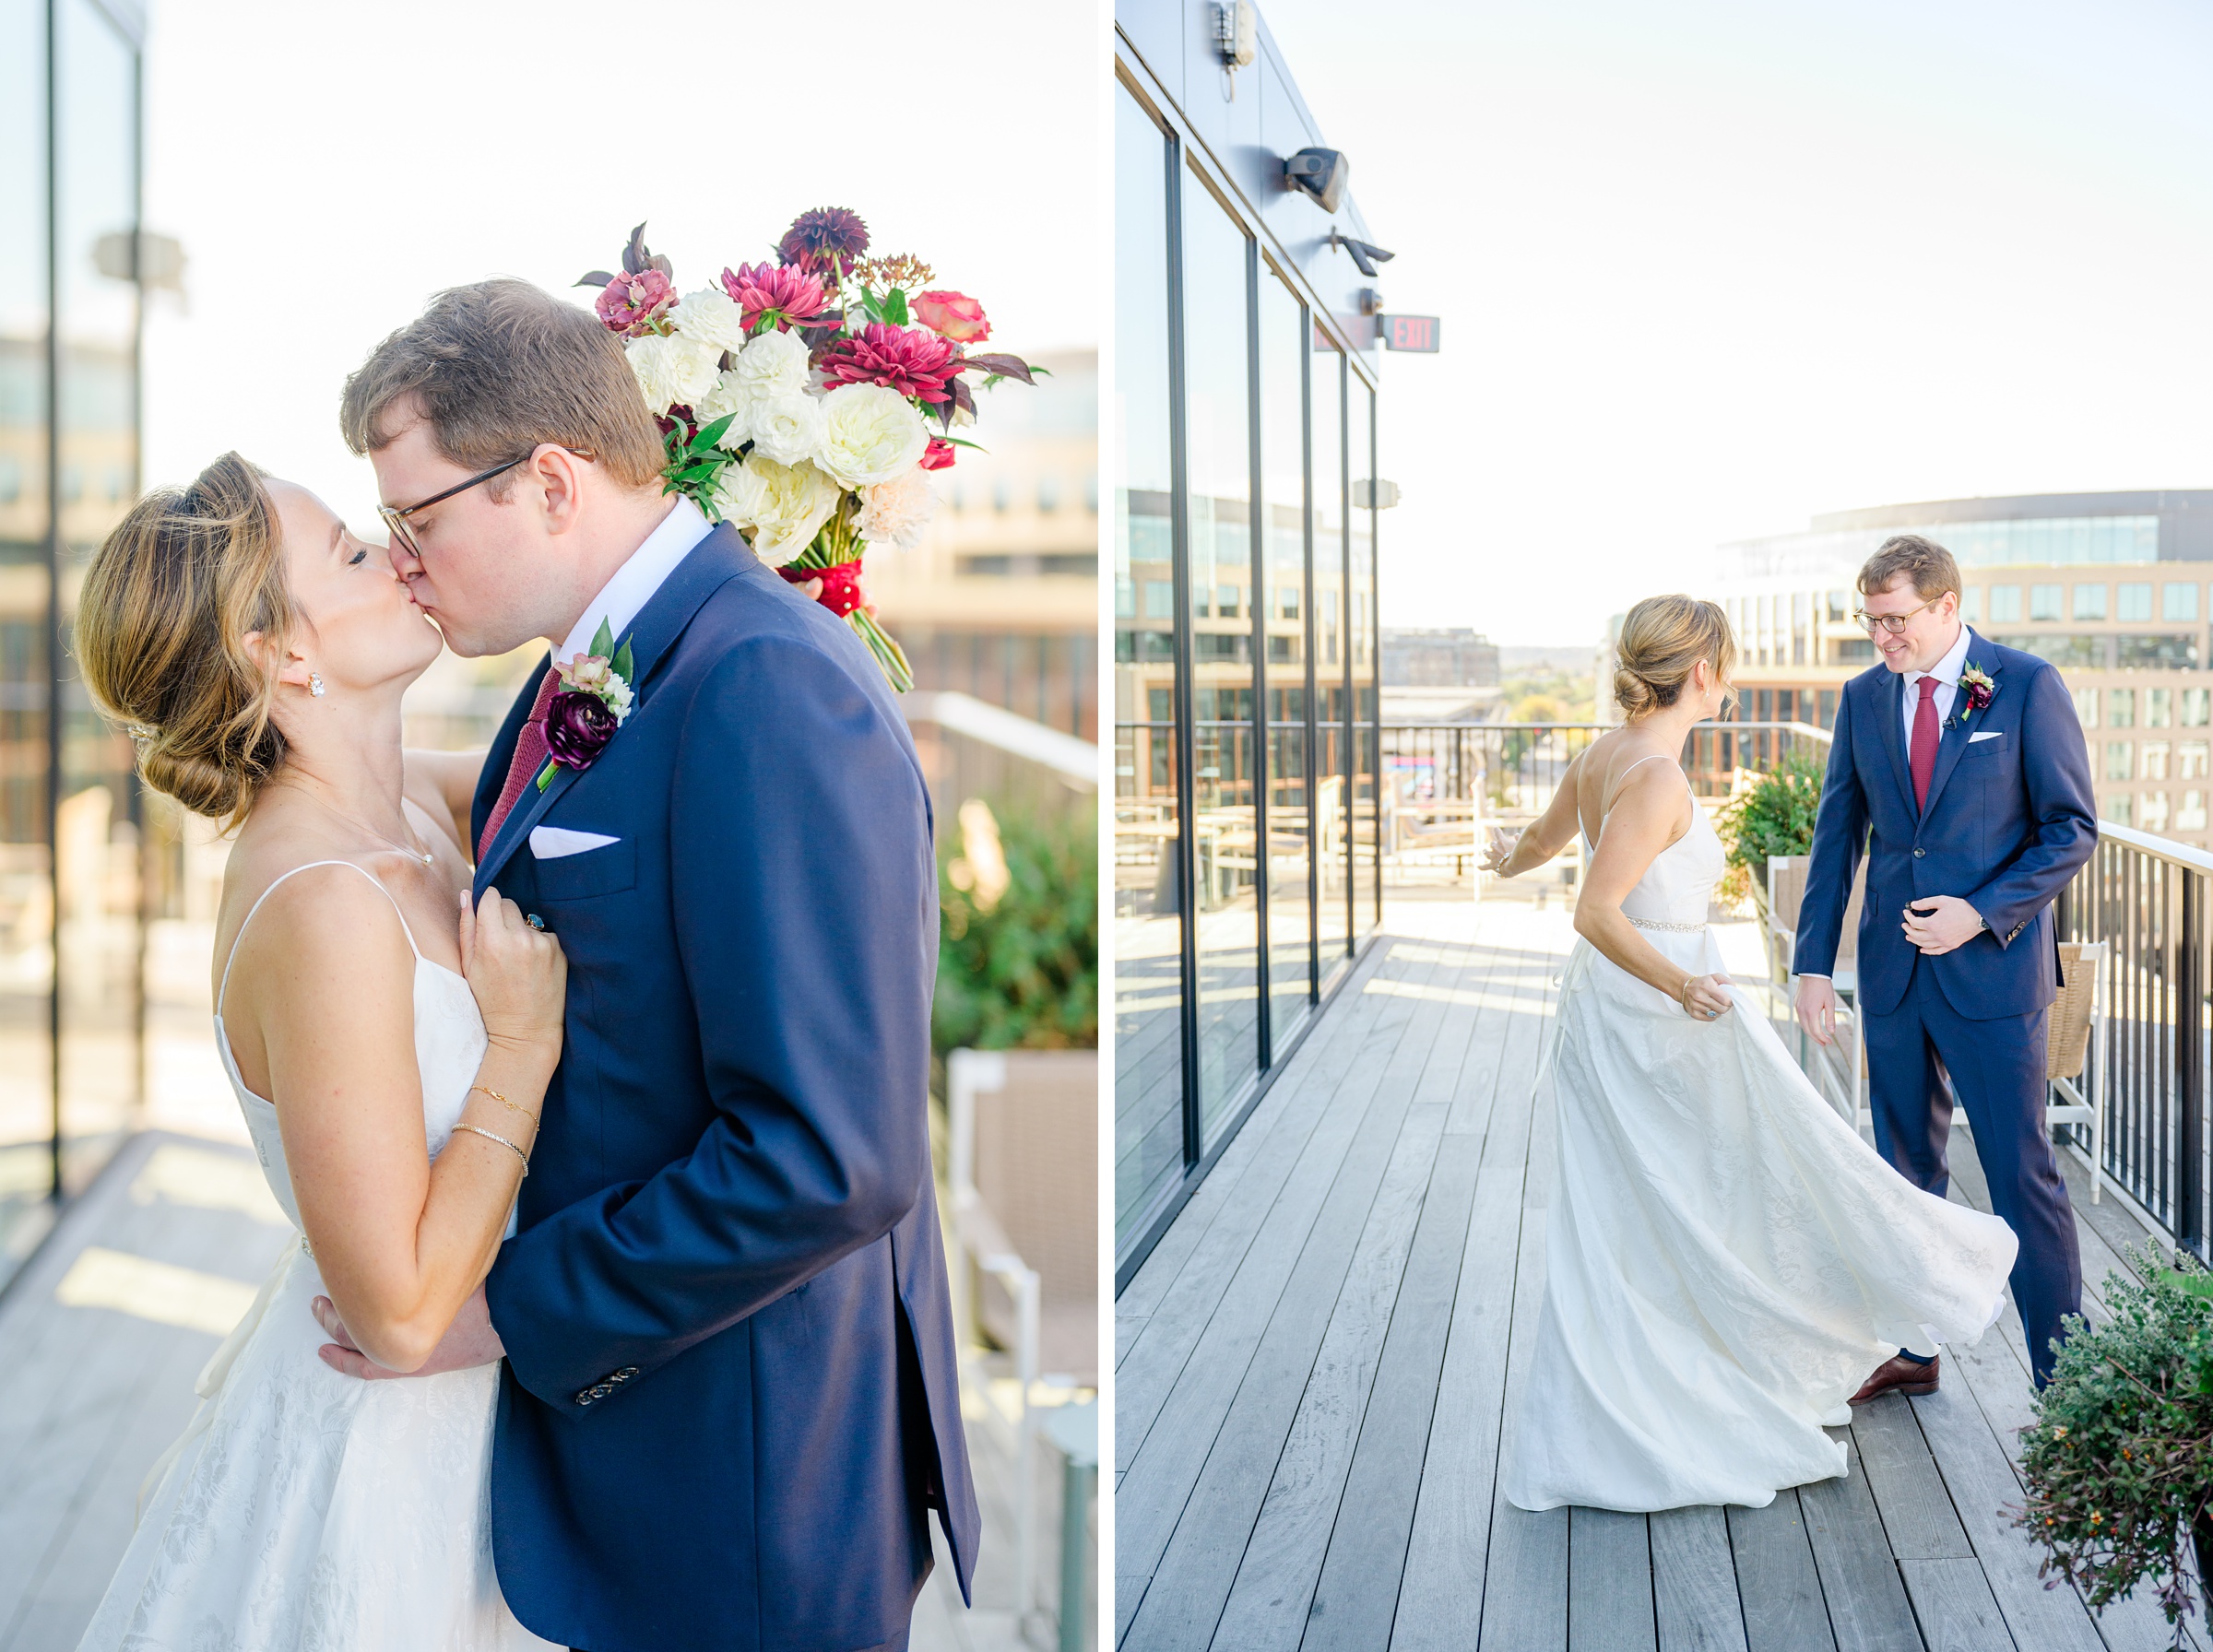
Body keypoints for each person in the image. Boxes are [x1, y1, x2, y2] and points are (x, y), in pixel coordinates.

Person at [311, 278, 976, 1652]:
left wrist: (492, 1315)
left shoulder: (767, 684)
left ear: (548, 484)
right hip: (638, 1471)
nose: (406, 560)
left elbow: (830, 1159)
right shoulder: (598, 666)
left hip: (742, 1483)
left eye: (416, 518)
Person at [73, 453, 569, 1647]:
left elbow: (588, 755)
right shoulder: (323, 903)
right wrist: (523, 1039)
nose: (398, 551)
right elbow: (396, 1316)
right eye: (352, 550)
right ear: (278, 657)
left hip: (501, 1426)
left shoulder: (404, 813)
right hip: (400, 1459)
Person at [1490, 595, 2017, 1514]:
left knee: (1649, 1206)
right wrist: (1682, 984)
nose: (1728, 680)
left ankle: (1637, 1393)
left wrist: (1505, 856)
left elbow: (1544, 844)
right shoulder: (1654, 774)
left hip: (1627, 1012)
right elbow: (1596, 909)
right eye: (1726, 665)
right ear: (1702, 673)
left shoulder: (1601, 755)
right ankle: (1651, 1407)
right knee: (1692, 1197)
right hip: (1651, 1015)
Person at [1793, 535, 2097, 1392]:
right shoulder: (1861, 699)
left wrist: (1981, 912)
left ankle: (2064, 1387)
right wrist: (1814, 963)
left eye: (1896, 620)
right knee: (1902, 1175)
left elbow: (2070, 828)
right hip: (1891, 979)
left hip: (1994, 982)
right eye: (1872, 622)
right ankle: (1914, 1350)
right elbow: (1836, 839)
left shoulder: (2027, 685)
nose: (1883, 638)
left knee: (2020, 1176)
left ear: (1946, 606)